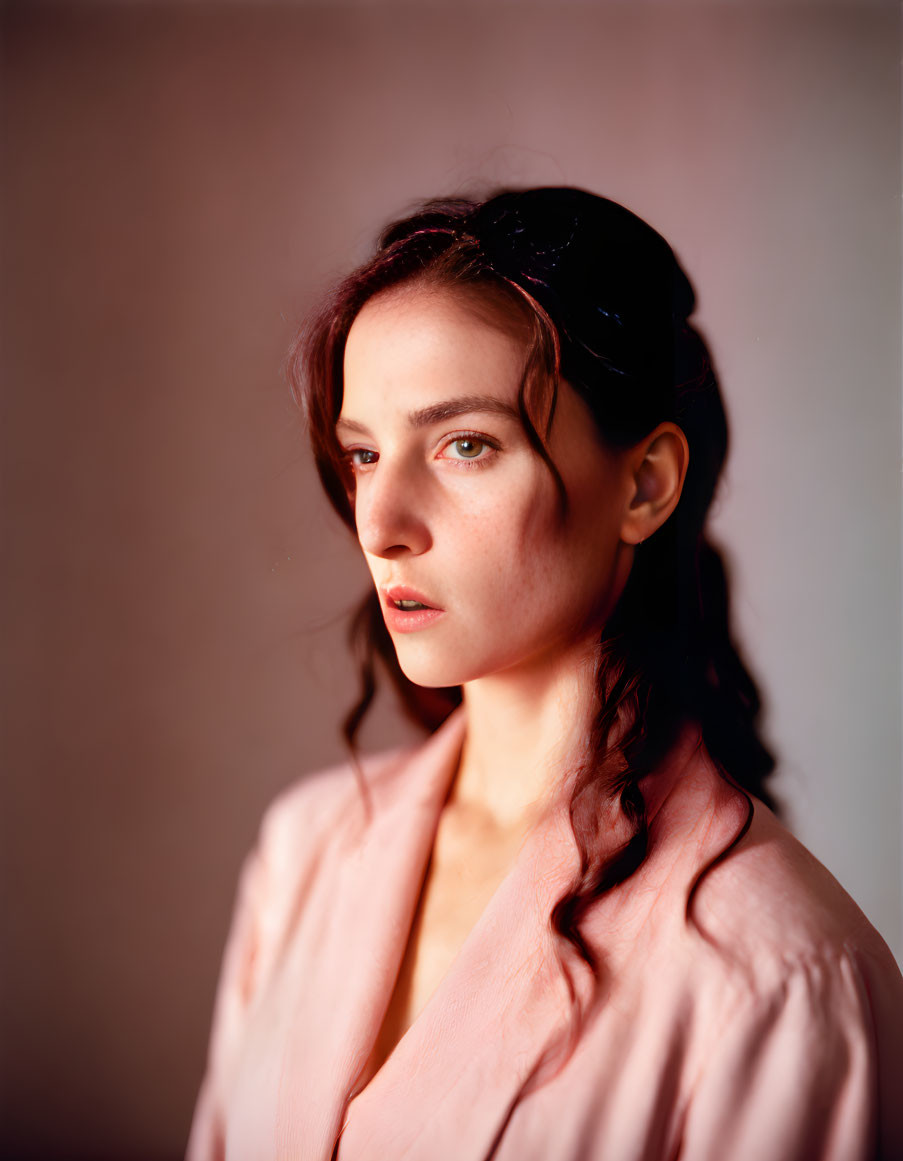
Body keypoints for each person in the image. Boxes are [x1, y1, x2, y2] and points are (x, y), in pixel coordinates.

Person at [186, 187, 903, 1161]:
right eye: (363, 453)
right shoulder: (303, 855)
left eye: (465, 444)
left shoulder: (782, 975)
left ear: (644, 484)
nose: (382, 521)